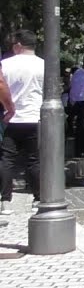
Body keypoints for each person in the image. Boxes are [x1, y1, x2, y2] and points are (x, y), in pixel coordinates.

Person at [0, 30, 44, 213]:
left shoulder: (5, 65)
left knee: (6, 159)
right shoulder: (44, 65)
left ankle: (5, 200)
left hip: (10, 118)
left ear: (18, 45)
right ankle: (37, 198)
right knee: (34, 160)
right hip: (35, 117)